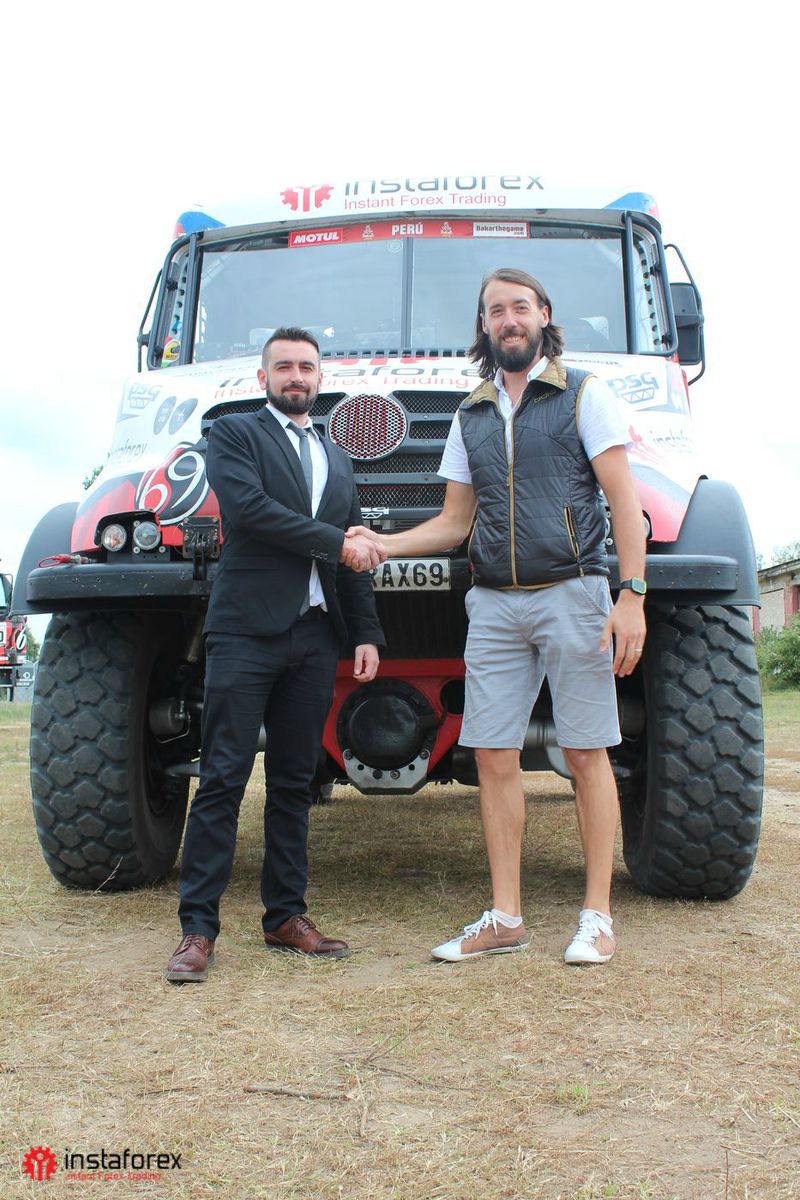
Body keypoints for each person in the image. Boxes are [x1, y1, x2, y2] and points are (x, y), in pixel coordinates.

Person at [346, 269, 646, 966]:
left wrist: (631, 596)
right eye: (495, 311)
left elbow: (624, 502)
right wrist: (383, 543)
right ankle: (506, 917)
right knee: (491, 753)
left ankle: (597, 917)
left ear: (543, 315)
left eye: (519, 307)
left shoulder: (583, 395)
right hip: (494, 604)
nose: (508, 320)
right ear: (484, 326)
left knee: (585, 752)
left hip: (574, 592)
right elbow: (454, 523)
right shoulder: (471, 414)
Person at [166, 327, 386, 982]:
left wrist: (366, 632)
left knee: (294, 782)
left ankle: (286, 916)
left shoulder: (336, 457)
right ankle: (197, 929)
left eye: (306, 367)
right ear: (263, 378)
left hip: (314, 636)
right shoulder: (234, 433)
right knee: (223, 778)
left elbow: (351, 556)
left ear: (321, 379)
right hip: (246, 630)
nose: (296, 376)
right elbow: (252, 511)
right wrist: (337, 542)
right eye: (284, 366)